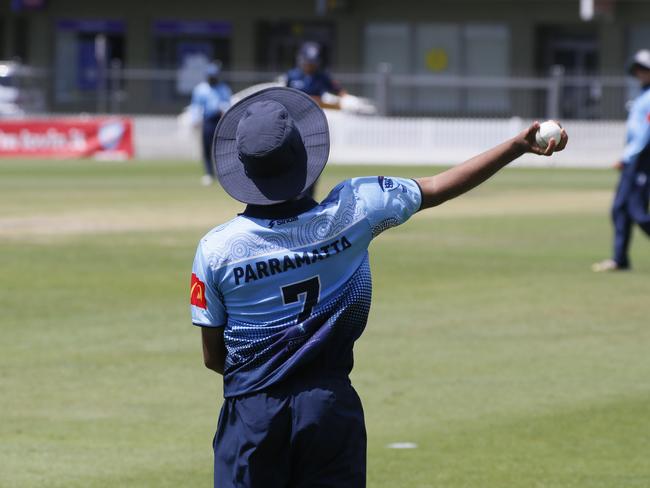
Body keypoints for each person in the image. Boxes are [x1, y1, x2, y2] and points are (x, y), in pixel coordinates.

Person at [190, 87, 568, 488]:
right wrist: (516, 147)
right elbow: (437, 187)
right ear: (304, 159)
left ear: (244, 170)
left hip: (252, 413)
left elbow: (214, 357)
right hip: (330, 407)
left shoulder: (217, 250)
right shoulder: (357, 207)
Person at [593, 49, 650, 272]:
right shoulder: (642, 96)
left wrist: (629, 156)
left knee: (636, 210)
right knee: (619, 209)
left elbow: (646, 134)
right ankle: (619, 259)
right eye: (638, 70)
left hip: (643, 158)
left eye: (644, 69)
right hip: (633, 159)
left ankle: (619, 258)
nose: (640, 74)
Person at [190, 62, 232, 186]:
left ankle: (224, 174)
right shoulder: (200, 89)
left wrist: (223, 109)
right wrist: (195, 120)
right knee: (207, 148)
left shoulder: (224, 88)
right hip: (207, 121)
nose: (212, 78)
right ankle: (209, 173)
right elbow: (196, 106)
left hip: (220, 120)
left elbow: (227, 103)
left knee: (221, 148)